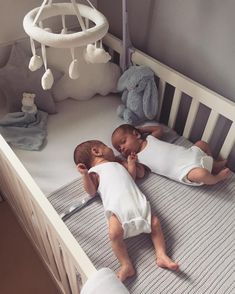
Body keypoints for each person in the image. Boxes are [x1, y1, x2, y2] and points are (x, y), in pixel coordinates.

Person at [74, 140, 179, 282]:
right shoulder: (94, 172)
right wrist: (85, 175)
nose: (112, 149)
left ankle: (161, 255)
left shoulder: (118, 164)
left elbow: (131, 178)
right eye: (106, 146)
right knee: (114, 234)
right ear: (97, 151)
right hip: (117, 208)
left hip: (137, 203)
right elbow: (91, 191)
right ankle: (126, 264)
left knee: (154, 223)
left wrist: (130, 164)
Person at [112, 124, 230, 186]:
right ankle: (216, 178)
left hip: (189, 154)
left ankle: (213, 164)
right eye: (119, 148)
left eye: (123, 142)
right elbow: (141, 174)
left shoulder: (150, 138)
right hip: (184, 170)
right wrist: (131, 163)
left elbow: (159, 129)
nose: (121, 148)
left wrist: (141, 129)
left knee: (202, 144)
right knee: (201, 174)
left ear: (136, 135)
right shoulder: (137, 159)